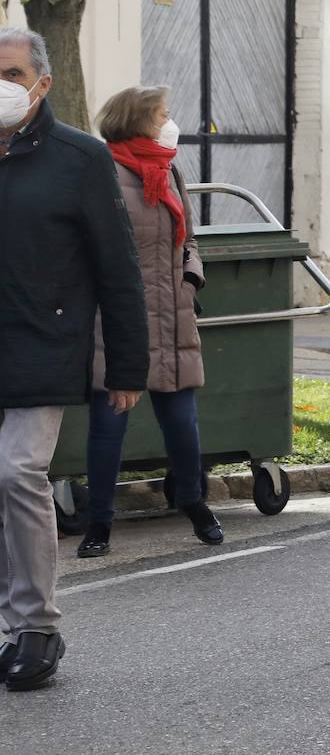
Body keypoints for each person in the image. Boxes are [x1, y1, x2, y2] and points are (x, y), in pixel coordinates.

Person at [0, 27, 148, 691]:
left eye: (10, 73)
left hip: (42, 345)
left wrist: (126, 366)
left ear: (42, 82)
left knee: (15, 472)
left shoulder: (80, 158)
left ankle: (36, 626)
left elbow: (118, 268)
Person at [78, 86, 223, 558]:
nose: (169, 121)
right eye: (162, 114)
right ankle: (99, 522)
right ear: (137, 120)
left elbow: (189, 240)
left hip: (173, 317)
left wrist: (190, 279)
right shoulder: (101, 172)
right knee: (108, 429)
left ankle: (193, 502)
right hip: (117, 322)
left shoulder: (170, 170)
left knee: (183, 425)